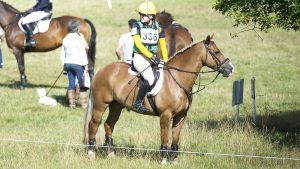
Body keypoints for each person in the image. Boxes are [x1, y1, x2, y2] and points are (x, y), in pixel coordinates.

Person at [131, 1, 168, 113]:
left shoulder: (159, 27)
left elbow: (162, 45)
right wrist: (151, 56)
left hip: (153, 58)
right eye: (140, 14)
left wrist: (166, 60)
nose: (141, 17)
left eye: (144, 15)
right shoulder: (136, 25)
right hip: (139, 57)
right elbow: (137, 43)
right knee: (150, 79)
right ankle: (138, 103)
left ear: (151, 16)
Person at [60, 20, 89, 109]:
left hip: (68, 63)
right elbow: (82, 52)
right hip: (78, 64)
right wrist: (86, 65)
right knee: (82, 84)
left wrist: (64, 64)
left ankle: (72, 104)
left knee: (71, 83)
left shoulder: (65, 38)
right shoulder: (79, 39)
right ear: (77, 29)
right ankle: (84, 105)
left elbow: (62, 53)